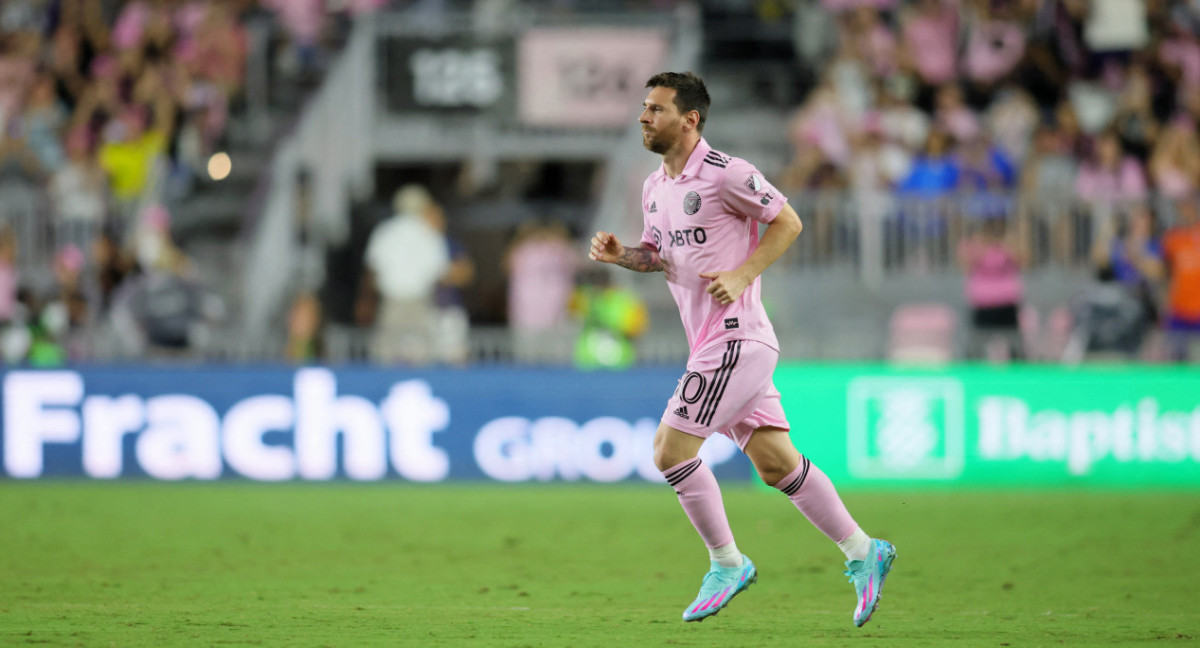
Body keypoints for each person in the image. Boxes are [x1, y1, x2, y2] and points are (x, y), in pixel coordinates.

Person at [587, 71, 896, 626]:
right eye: (643, 107)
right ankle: (863, 550)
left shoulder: (729, 174)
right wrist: (623, 255)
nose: (643, 117)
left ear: (690, 119)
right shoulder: (655, 186)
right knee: (778, 465)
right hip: (712, 343)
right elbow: (658, 255)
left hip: (737, 340)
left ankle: (727, 562)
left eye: (656, 109)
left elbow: (788, 221)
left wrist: (743, 272)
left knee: (669, 452)